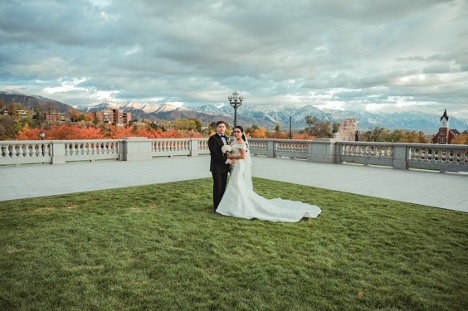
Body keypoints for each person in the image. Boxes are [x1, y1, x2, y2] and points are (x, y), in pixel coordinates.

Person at [216, 125, 321, 222]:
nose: (236, 133)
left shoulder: (242, 142)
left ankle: (238, 207)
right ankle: (232, 205)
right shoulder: (234, 141)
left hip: (239, 165)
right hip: (234, 166)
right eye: (234, 132)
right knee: (235, 185)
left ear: (242, 133)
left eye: (238, 132)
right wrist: (228, 154)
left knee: (236, 184)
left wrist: (231, 157)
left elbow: (243, 156)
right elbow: (232, 152)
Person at [208, 121, 235, 212]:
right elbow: (214, 154)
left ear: (225, 128)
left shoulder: (227, 138)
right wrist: (227, 160)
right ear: (216, 128)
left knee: (223, 187)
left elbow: (229, 151)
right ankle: (216, 207)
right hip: (216, 167)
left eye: (223, 127)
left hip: (225, 167)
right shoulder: (212, 138)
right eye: (220, 127)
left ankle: (222, 205)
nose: (222, 128)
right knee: (218, 187)